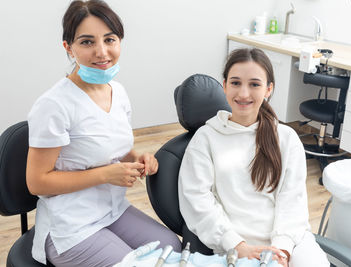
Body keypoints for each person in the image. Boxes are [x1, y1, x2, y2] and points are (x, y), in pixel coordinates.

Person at [26, 1, 181, 266]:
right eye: (87, 42)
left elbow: (115, 149)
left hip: (112, 211)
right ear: (69, 48)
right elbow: (37, 182)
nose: (102, 52)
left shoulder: (117, 91)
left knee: (172, 247)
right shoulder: (53, 105)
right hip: (70, 226)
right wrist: (105, 175)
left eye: (110, 39)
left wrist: (138, 158)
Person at [178, 48, 330, 267]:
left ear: (269, 89)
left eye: (255, 84)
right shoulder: (206, 138)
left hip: (291, 241)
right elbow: (197, 200)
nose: (243, 94)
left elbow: (292, 201)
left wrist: (283, 251)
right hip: (239, 246)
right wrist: (237, 245)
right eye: (236, 83)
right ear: (224, 86)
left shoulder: (286, 138)